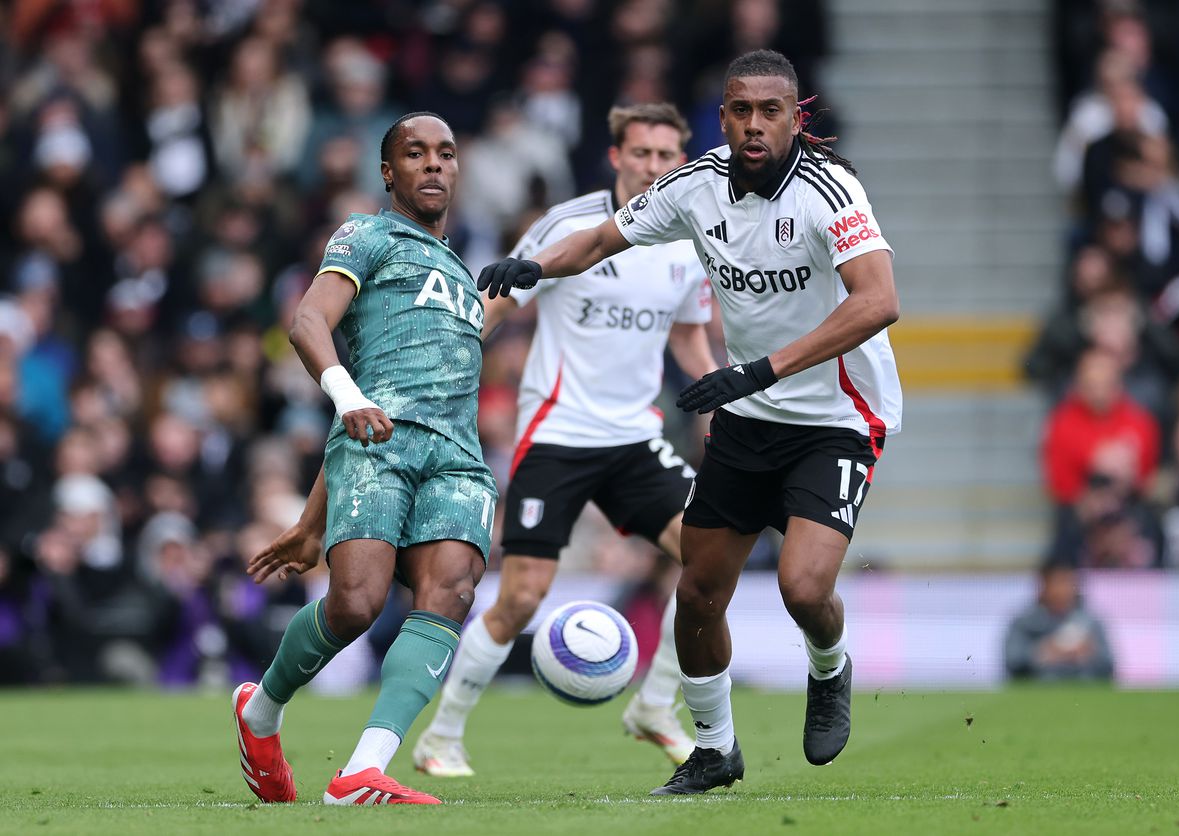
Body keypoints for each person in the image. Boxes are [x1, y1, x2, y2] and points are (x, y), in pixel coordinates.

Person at [477, 49, 902, 795]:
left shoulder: (831, 190)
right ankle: (715, 749)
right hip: (747, 414)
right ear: (724, 116)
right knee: (699, 592)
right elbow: (606, 237)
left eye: (771, 111)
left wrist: (761, 370)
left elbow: (877, 302)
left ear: (794, 116)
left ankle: (828, 669)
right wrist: (537, 268)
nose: (754, 124)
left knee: (804, 590)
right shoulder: (696, 185)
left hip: (837, 414)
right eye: (740, 110)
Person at [412, 103, 717, 777]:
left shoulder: (690, 238)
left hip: (635, 437)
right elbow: (497, 299)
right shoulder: (570, 224)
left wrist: (718, 390)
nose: (654, 167)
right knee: (521, 595)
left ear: (682, 163)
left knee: (710, 559)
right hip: (556, 433)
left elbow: (689, 332)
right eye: (641, 154)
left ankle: (655, 707)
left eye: (668, 157)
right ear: (616, 157)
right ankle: (442, 735)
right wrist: (442, 379)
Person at [231, 112, 498, 806]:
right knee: (354, 603)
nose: (434, 165)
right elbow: (306, 321)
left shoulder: (464, 277)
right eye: (416, 154)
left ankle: (361, 770)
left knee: (453, 590)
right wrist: (345, 396)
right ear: (389, 173)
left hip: (459, 458)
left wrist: (312, 519)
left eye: (446, 152)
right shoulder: (367, 233)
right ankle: (260, 712)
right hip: (379, 442)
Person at [1003, 561, 1115, 682]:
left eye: (1067, 582)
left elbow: (1108, 665)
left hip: (1083, 689)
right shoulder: (1024, 622)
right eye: (1056, 583)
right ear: (1043, 587)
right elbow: (1012, 662)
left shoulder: (1091, 622)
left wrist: (1088, 653)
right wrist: (1042, 652)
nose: (1061, 590)